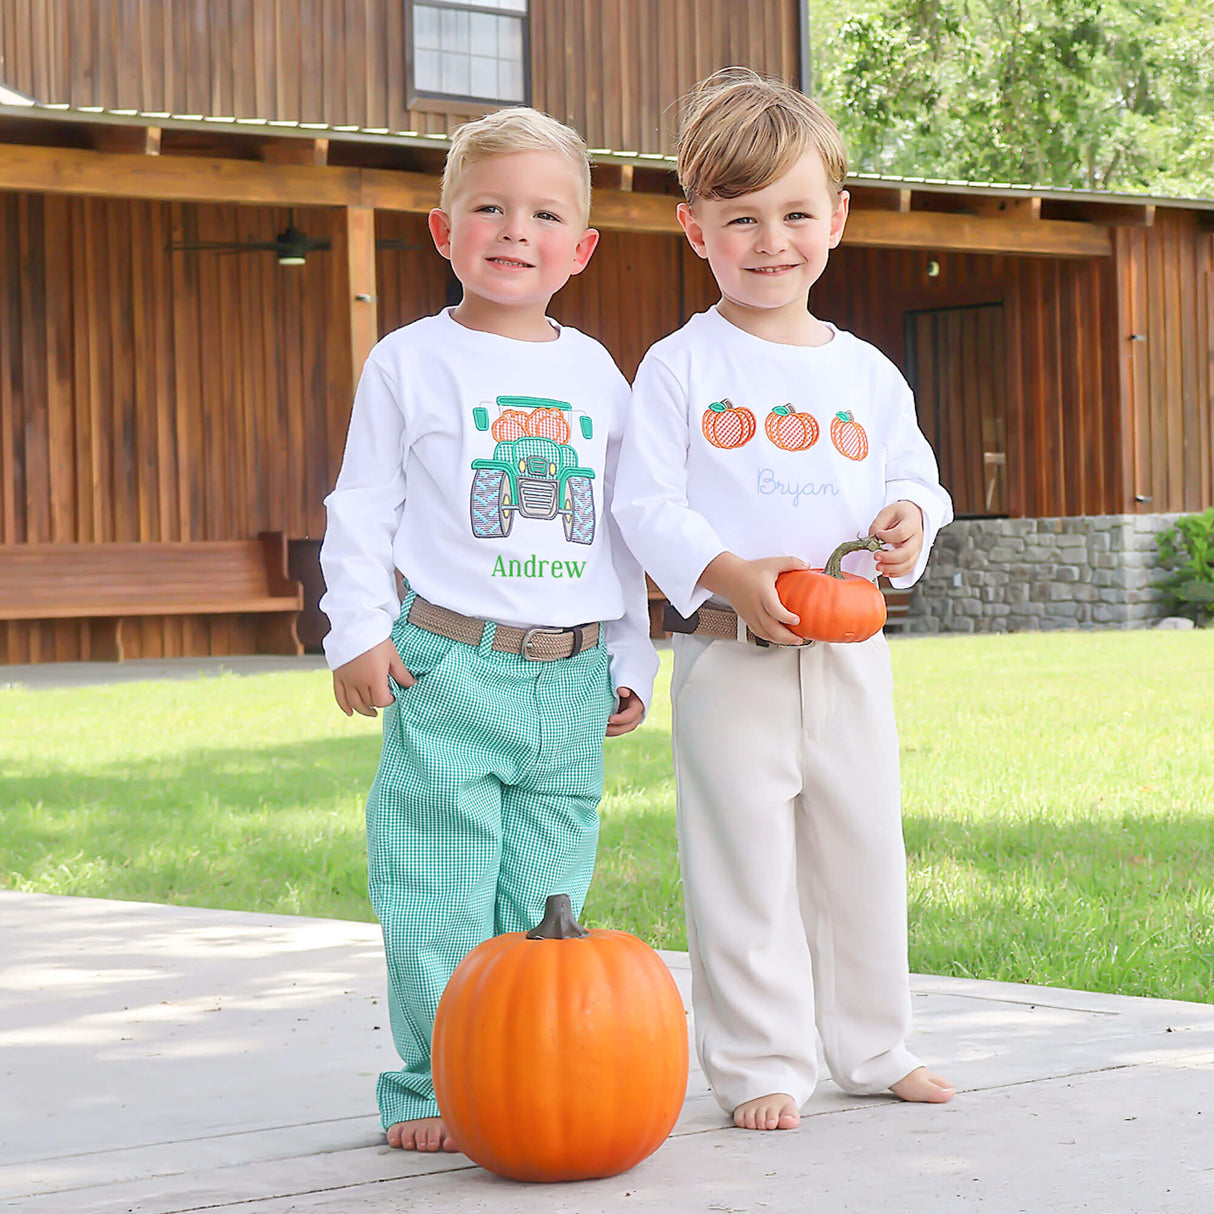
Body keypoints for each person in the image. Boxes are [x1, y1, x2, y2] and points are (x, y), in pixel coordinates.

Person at [613, 68, 956, 1132]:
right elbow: (645, 504)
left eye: (795, 214)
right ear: (693, 228)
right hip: (731, 656)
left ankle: (872, 1042)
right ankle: (761, 1058)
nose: (771, 241)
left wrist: (908, 516)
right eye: (741, 218)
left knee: (862, 847)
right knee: (743, 862)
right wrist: (728, 575)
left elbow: (917, 475)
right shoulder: (679, 365)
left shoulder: (865, 374)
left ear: (836, 220)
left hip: (849, 653)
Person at [319, 106, 658, 1154]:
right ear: (443, 230)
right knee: (436, 890)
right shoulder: (409, 363)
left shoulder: (598, 372)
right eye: (490, 208)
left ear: (580, 248)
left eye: (543, 213)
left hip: (568, 674)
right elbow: (361, 505)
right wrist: (357, 631)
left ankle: (536, 1072)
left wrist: (630, 657)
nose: (515, 229)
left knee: (548, 902)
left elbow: (621, 525)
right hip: (446, 666)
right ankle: (431, 1081)